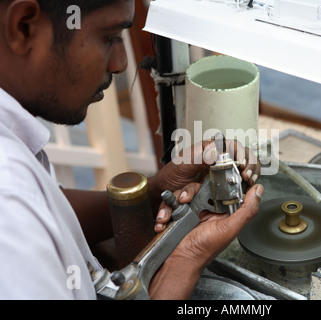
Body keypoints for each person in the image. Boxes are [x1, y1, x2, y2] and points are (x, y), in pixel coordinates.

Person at [0, 0, 263, 299]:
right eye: (109, 37)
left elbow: (48, 209)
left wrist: (153, 192)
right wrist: (185, 260)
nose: (121, 63)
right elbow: (23, 207)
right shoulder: (9, 206)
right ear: (24, 27)